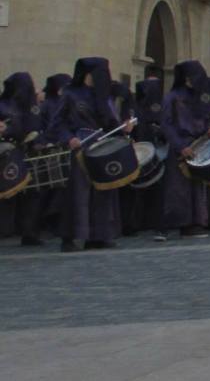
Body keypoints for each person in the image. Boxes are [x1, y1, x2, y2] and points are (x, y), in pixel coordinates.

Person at [50, 57, 133, 252]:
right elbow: (57, 122)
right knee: (78, 194)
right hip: (81, 146)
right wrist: (68, 138)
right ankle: (72, 236)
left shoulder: (104, 97)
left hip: (104, 146)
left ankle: (99, 234)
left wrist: (125, 128)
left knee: (104, 191)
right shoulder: (71, 94)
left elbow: (112, 123)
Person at [156, 60, 210, 241]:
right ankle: (172, 223)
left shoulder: (201, 98)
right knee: (177, 188)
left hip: (198, 146)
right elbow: (166, 124)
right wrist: (180, 146)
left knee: (197, 187)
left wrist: (209, 131)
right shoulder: (172, 97)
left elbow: (205, 119)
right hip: (181, 146)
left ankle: (195, 222)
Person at [0, 72, 46, 245]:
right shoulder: (8, 105)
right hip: (11, 154)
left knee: (32, 195)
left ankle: (29, 232)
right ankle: (21, 231)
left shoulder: (29, 106)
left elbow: (38, 127)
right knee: (11, 193)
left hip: (27, 154)